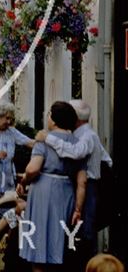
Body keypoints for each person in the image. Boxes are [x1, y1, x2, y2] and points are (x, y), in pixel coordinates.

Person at [34, 99, 112, 256]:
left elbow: (76, 152)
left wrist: (48, 138)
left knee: (85, 229)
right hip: (82, 185)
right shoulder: (78, 135)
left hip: (89, 186)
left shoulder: (87, 136)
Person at [17, 101, 87, 271]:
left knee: (39, 243)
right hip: (67, 191)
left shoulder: (43, 140)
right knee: (61, 241)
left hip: (44, 191)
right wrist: (78, 208)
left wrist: (24, 181)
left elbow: (33, 169)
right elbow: (82, 181)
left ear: (54, 120)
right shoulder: (77, 143)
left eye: (49, 114)